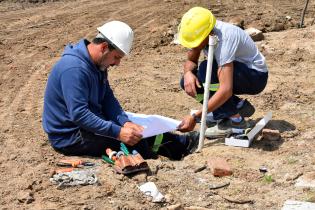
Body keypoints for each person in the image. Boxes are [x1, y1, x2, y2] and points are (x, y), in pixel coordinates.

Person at [42, 21, 198, 160]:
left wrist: (125, 122)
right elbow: (79, 114)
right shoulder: (74, 69)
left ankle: (183, 144)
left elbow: (107, 98)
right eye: (116, 57)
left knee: (138, 129)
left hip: (87, 124)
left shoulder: (97, 64)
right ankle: (163, 157)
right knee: (135, 142)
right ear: (104, 47)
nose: (117, 63)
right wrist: (118, 132)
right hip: (70, 136)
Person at [176, 7, 268, 137]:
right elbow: (191, 60)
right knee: (187, 82)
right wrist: (187, 74)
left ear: (207, 34)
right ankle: (238, 106)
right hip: (236, 72)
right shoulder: (204, 34)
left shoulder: (225, 40)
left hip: (255, 76)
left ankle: (235, 121)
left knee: (206, 69)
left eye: (196, 43)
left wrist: (196, 117)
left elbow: (226, 89)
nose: (194, 46)